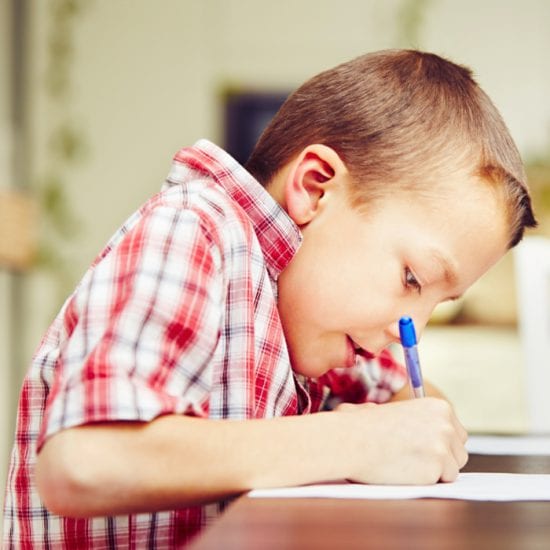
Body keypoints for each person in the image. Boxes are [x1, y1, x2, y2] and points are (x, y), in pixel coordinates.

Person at [3, 49, 536, 548]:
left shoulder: (311, 318)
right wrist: (350, 441)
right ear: (315, 187)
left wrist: (420, 428)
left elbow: (409, 401)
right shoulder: (195, 231)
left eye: (438, 304)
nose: (411, 329)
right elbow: (84, 463)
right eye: (413, 280)